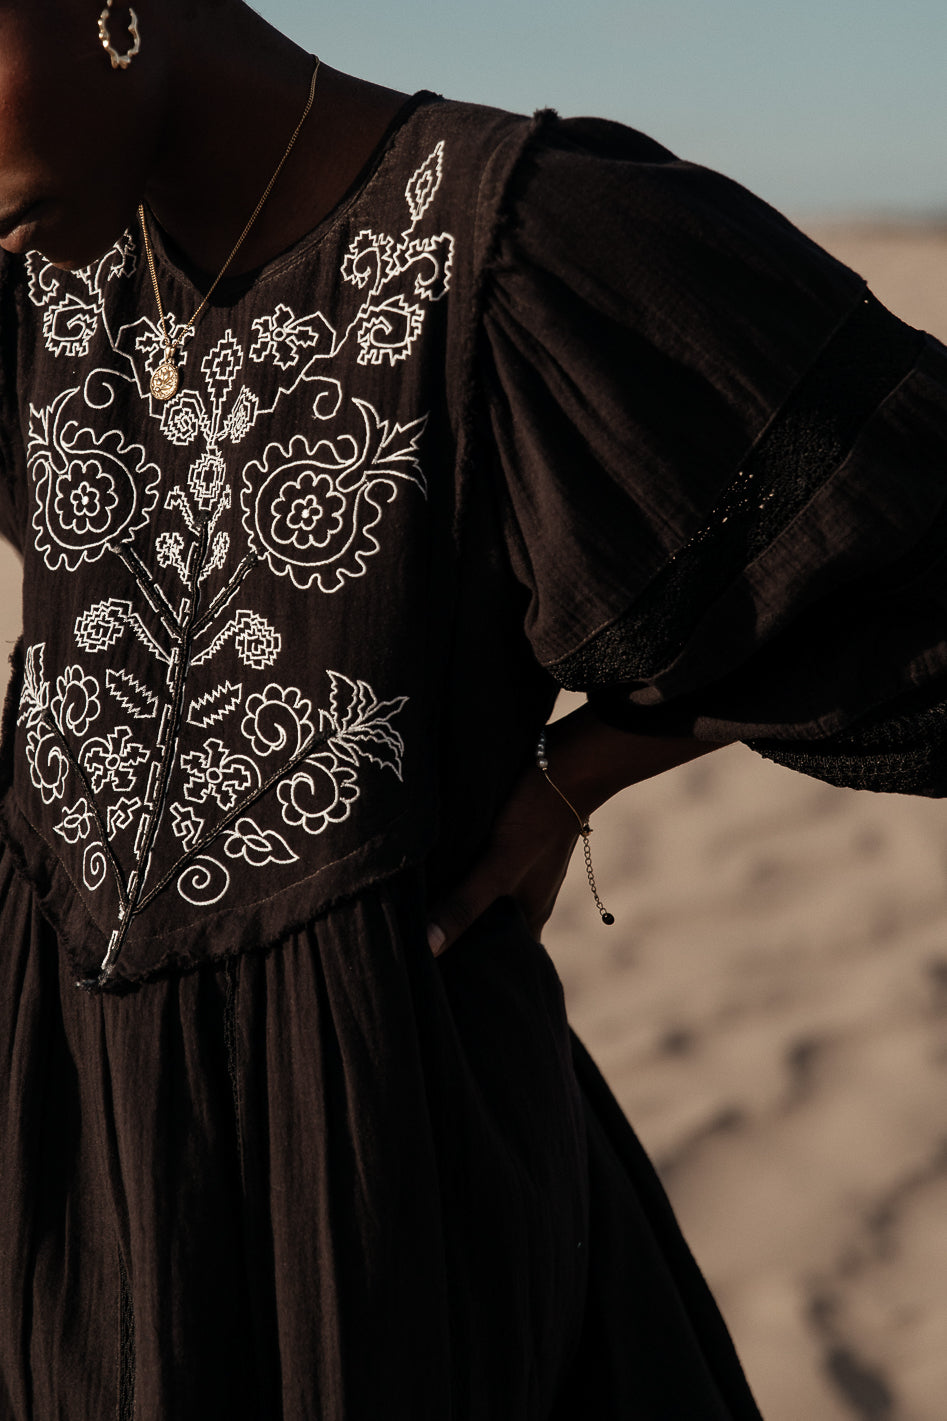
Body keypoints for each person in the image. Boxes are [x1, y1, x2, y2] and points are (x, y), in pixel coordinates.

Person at [0, 1, 945, 1417]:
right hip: (55, 1161)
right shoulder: (37, 266)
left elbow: (900, 551)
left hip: (376, 1200)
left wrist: (589, 767)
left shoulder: (524, 249)